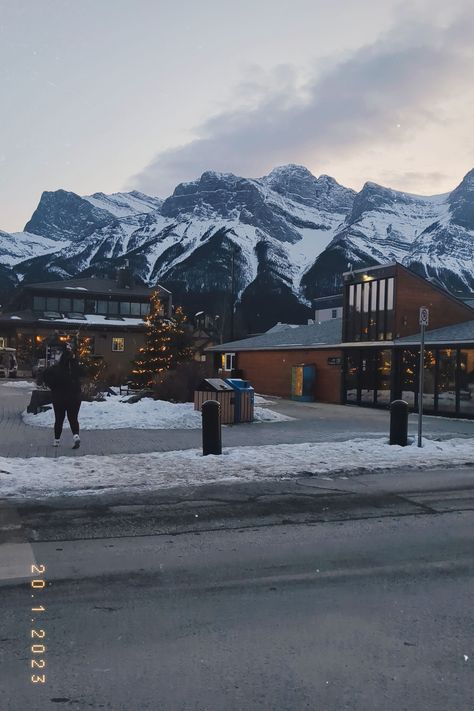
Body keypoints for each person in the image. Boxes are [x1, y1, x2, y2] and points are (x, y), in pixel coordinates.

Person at [42, 344, 84, 449]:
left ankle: (56, 441)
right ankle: (76, 436)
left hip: (59, 398)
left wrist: (52, 386)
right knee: (73, 418)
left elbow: (45, 374)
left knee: (59, 419)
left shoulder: (56, 369)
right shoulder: (75, 368)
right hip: (74, 398)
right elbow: (84, 372)